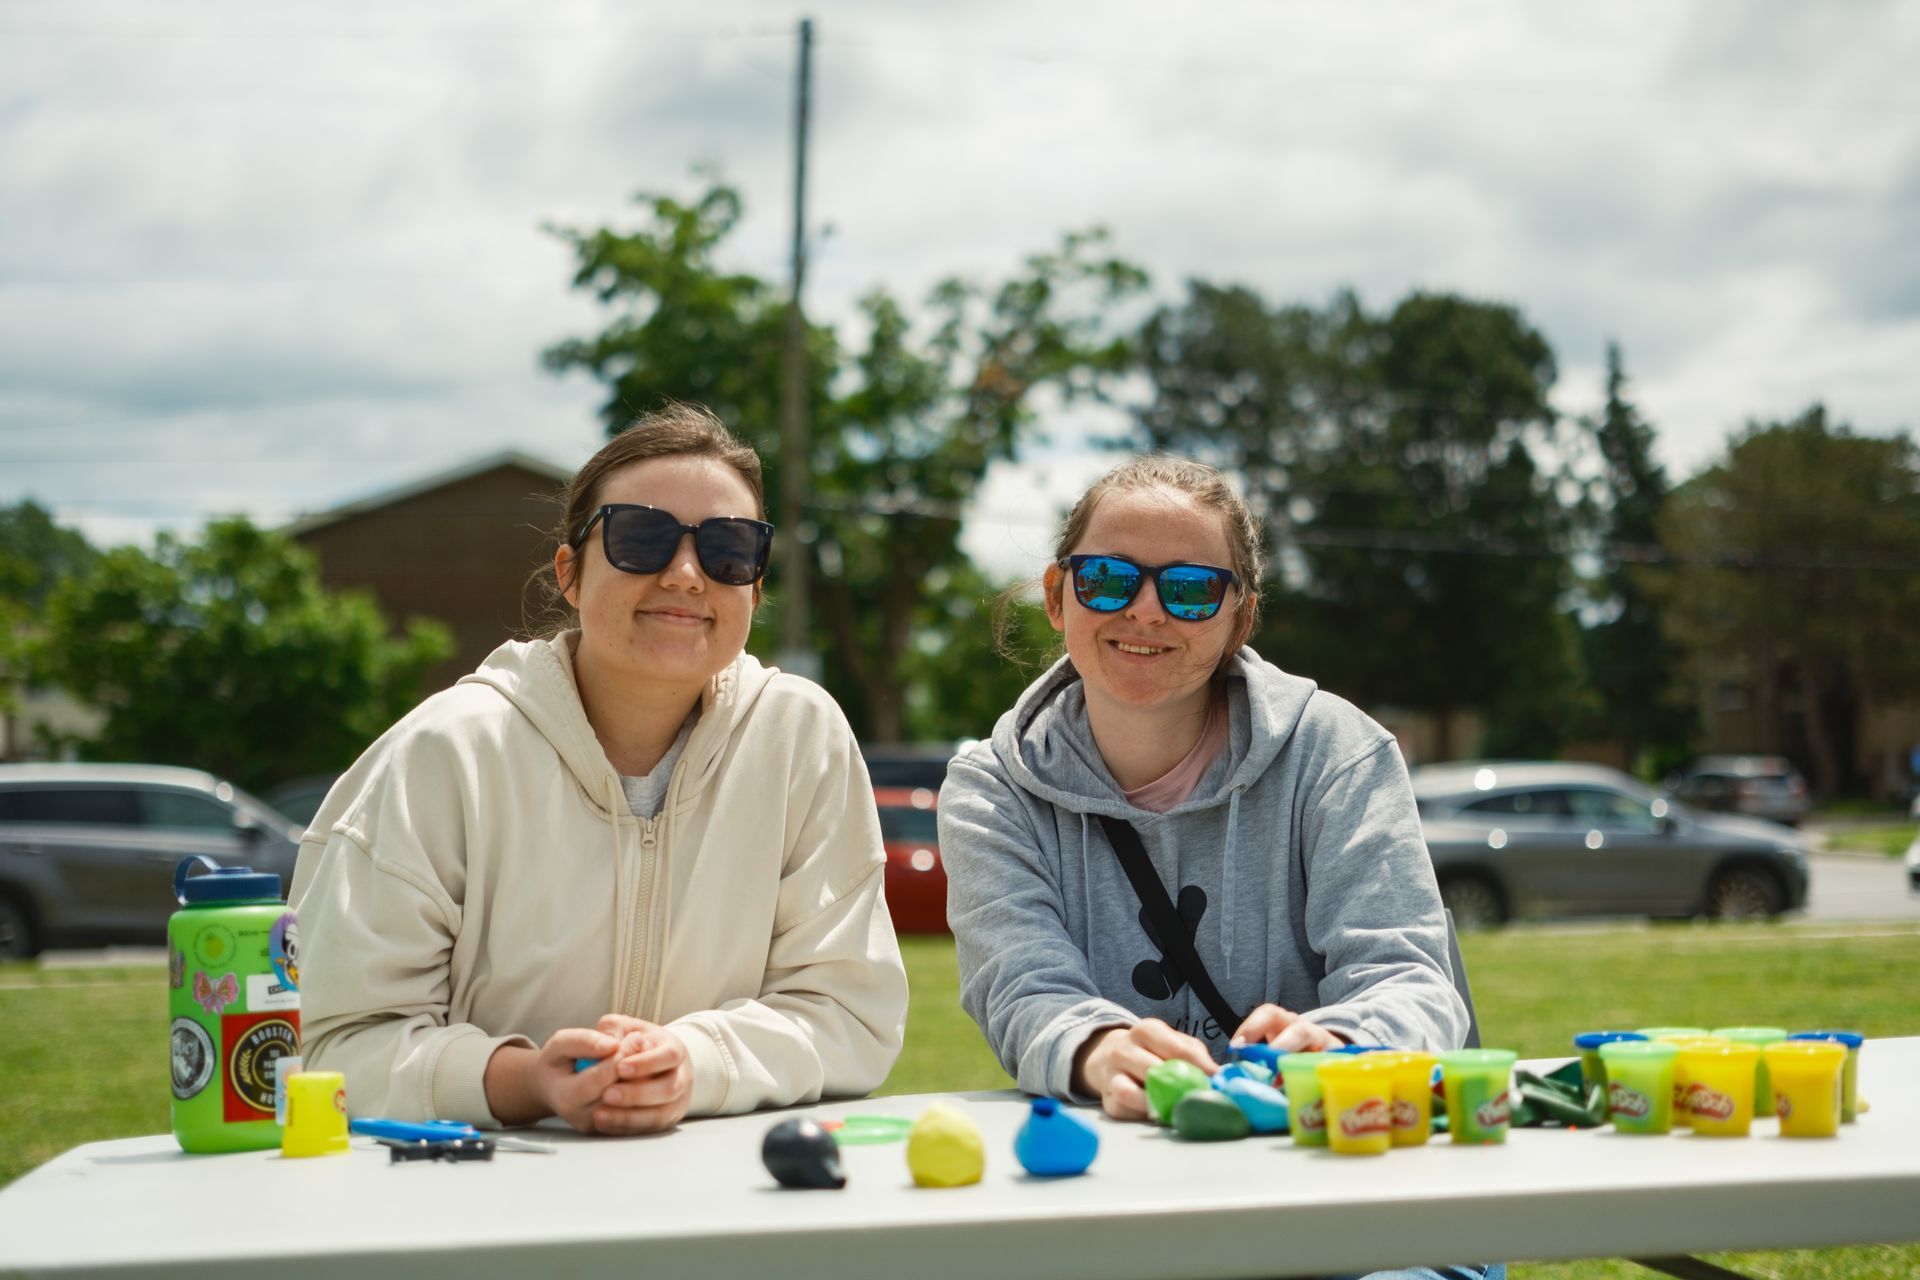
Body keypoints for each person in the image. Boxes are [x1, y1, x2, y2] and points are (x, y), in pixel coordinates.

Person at [940, 456, 1493, 1280]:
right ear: (1058, 597)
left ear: (1240, 618)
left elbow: (1409, 977)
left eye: (1192, 588)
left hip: (1358, 1194)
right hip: (1128, 1207)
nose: (1146, 610)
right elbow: (1023, 988)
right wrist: (1098, 1047)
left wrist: (1342, 1041)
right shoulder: (991, 786)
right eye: (1107, 579)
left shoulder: (1338, 753)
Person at [289, 403, 908, 1134]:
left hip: (730, 1203)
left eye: (729, 549)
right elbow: (328, 1047)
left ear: (755, 588)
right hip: (477, 1206)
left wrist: (691, 1063)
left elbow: (848, 1014)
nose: (685, 573)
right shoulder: (443, 756)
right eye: (641, 538)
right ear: (571, 574)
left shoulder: (801, 738)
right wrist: (524, 1081)